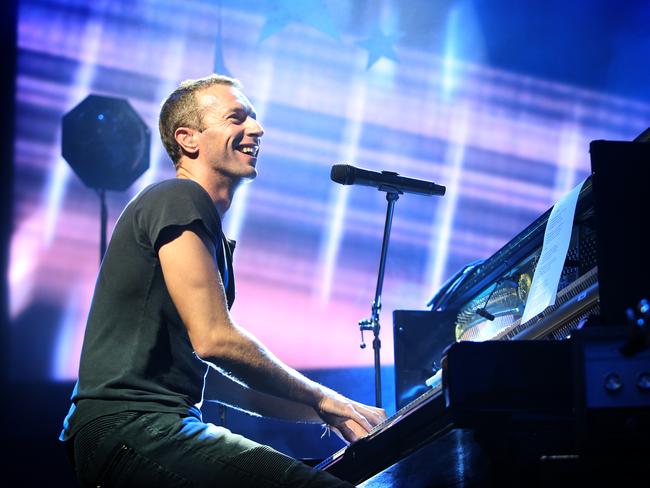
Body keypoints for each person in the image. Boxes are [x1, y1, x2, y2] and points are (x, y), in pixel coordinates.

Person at [59, 74, 386, 487]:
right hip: (134, 428)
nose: (257, 128)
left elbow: (219, 379)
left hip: (121, 435)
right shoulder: (178, 198)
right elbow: (215, 340)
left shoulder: (202, 230)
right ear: (188, 139)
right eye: (237, 118)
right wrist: (323, 396)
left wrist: (327, 410)